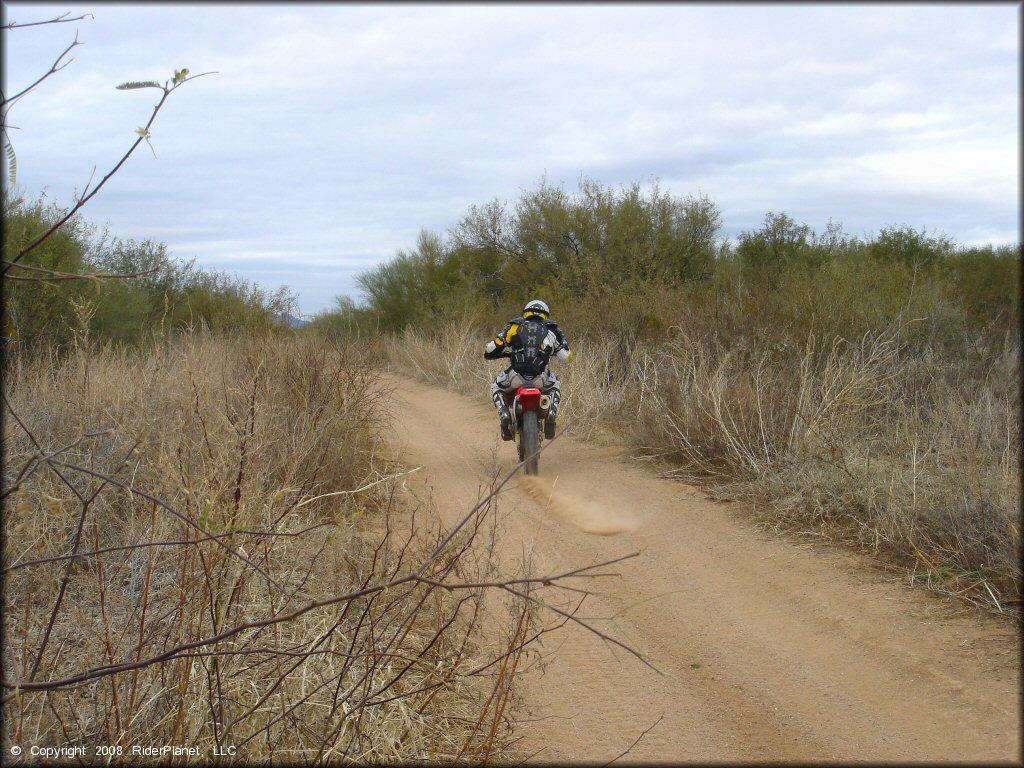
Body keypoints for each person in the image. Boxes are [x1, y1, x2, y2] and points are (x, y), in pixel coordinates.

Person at [483, 298, 572, 441]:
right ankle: (552, 412)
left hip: (515, 377)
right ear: (545, 315)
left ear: (526, 313)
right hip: (540, 378)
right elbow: (567, 358)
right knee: (556, 384)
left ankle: (504, 414)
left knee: (496, 386)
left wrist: (500, 349)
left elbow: (491, 348)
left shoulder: (515, 326)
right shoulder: (552, 330)